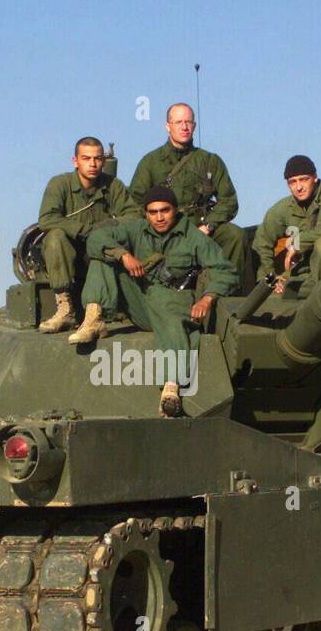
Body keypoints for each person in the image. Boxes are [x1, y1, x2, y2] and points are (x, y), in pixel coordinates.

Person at [70, 186, 237, 416]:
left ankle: (171, 386)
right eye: (152, 212)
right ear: (146, 213)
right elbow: (97, 239)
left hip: (176, 301)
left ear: (175, 210)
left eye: (165, 211)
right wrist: (123, 254)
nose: (159, 217)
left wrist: (207, 299)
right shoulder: (137, 229)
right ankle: (93, 317)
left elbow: (225, 271)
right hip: (141, 300)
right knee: (103, 257)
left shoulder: (193, 236)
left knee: (167, 308)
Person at [128, 103, 250, 291]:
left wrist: (208, 226)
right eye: (178, 122)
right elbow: (135, 204)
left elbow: (229, 201)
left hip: (202, 225)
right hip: (167, 229)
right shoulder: (150, 162)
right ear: (168, 126)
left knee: (235, 235)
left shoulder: (210, 160)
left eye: (188, 122)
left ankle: (234, 296)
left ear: (194, 125)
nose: (184, 127)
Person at [36, 137, 140, 333]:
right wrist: (84, 230)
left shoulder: (113, 186)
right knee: (55, 236)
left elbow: (134, 216)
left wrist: (108, 226)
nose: (93, 164)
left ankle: (95, 314)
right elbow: (47, 219)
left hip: (98, 255)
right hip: (69, 256)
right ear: (75, 161)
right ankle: (65, 308)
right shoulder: (60, 184)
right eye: (86, 158)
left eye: (98, 159)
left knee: (102, 246)